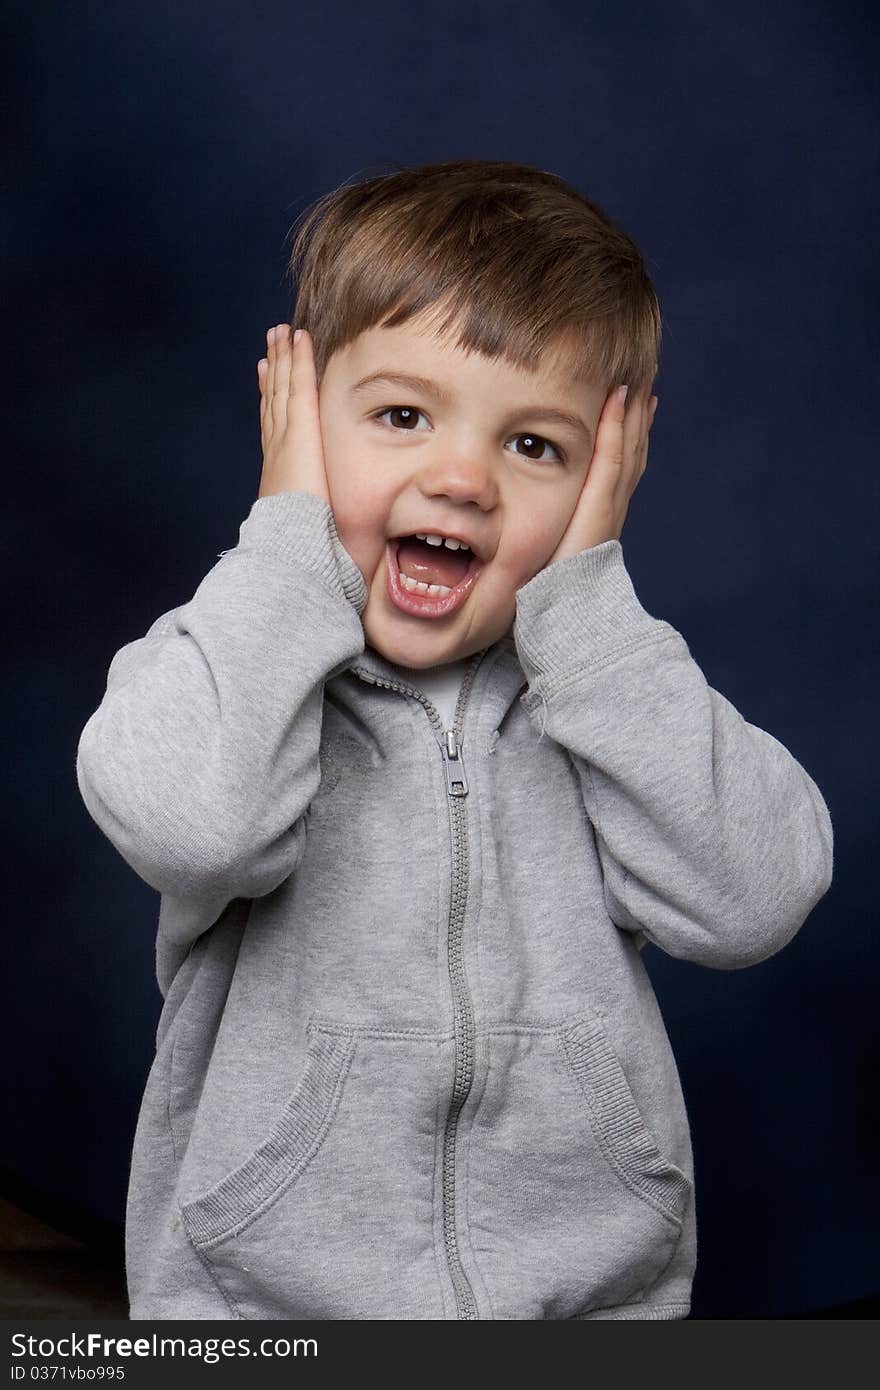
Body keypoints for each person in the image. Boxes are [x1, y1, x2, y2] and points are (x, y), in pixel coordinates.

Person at [75, 159, 834, 1320]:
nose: (461, 477)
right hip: (254, 1314)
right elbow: (197, 830)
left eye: (535, 446)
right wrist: (285, 544)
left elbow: (754, 900)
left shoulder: (607, 698)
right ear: (298, 420)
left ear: (607, 477)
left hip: (586, 1306)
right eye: (399, 416)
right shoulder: (226, 667)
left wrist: (587, 612)